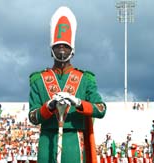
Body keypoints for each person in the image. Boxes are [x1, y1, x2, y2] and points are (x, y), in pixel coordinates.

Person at [28, 6, 106, 163]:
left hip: (74, 143)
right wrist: (49, 106)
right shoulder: (38, 79)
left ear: (72, 49)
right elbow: (33, 117)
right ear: (51, 49)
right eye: (57, 46)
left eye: (65, 46)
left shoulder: (85, 79)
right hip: (46, 141)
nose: (61, 49)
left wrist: (78, 102)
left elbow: (101, 109)